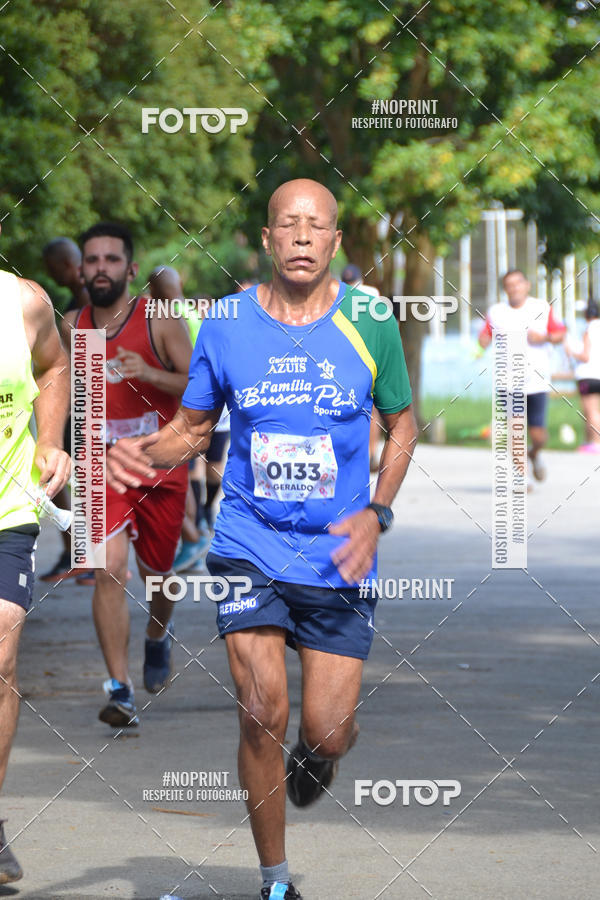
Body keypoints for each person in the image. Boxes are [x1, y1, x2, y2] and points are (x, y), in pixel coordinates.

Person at [105, 179, 417, 900]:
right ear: (270, 239)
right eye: (289, 225)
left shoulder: (370, 319)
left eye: (317, 226)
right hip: (249, 545)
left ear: (337, 243)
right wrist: (137, 453)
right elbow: (192, 429)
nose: (303, 236)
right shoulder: (226, 322)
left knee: (328, 731)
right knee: (258, 710)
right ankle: (276, 881)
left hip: (339, 550)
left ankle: (326, 752)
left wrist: (377, 512)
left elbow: (402, 424)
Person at [62, 223, 193, 727]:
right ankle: (120, 690)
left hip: (161, 461)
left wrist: (149, 373)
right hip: (103, 465)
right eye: (92, 260)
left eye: (111, 260)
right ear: (81, 271)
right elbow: (63, 393)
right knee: (108, 567)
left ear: (130, 270)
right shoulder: (74, 326)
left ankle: (158, 636)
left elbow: (197, 383)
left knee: (159, 575)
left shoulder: (156, 318)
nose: (101, 268)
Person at [0, 251, 70, 884]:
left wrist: (50, 440)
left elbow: (54, 368)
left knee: (0, 655)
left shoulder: (24, 302)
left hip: (6, 511)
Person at [479, 269, 566, 482]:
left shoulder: (541, 308)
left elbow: (560, 334)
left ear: (526, 285)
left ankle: (534, 453)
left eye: (518, 283)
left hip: (536, 381)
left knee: (538, 435)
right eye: (510, 284)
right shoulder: (497, 312)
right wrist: (482, 342)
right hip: (508, 380)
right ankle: (522, 476)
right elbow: (485, 335)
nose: (515, 287)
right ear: (505, 289)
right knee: (516, 429)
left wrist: (545, 337)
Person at [39, 238, 89, 582]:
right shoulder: (75, 297)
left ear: (67, 264)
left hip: (88, 403)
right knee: (69, 480)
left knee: (81, 481)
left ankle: (86, 557)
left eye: (53, 267)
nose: (50, 274)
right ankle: (76, 553)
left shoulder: (87, 297)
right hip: (76, 402)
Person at [566, 299, 600, 452]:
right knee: (594, 410)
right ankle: (589, 442)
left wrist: (571, 351)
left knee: (590, 411)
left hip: (588, 375)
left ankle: (595, 442)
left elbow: (585, 356)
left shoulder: (589, 330)